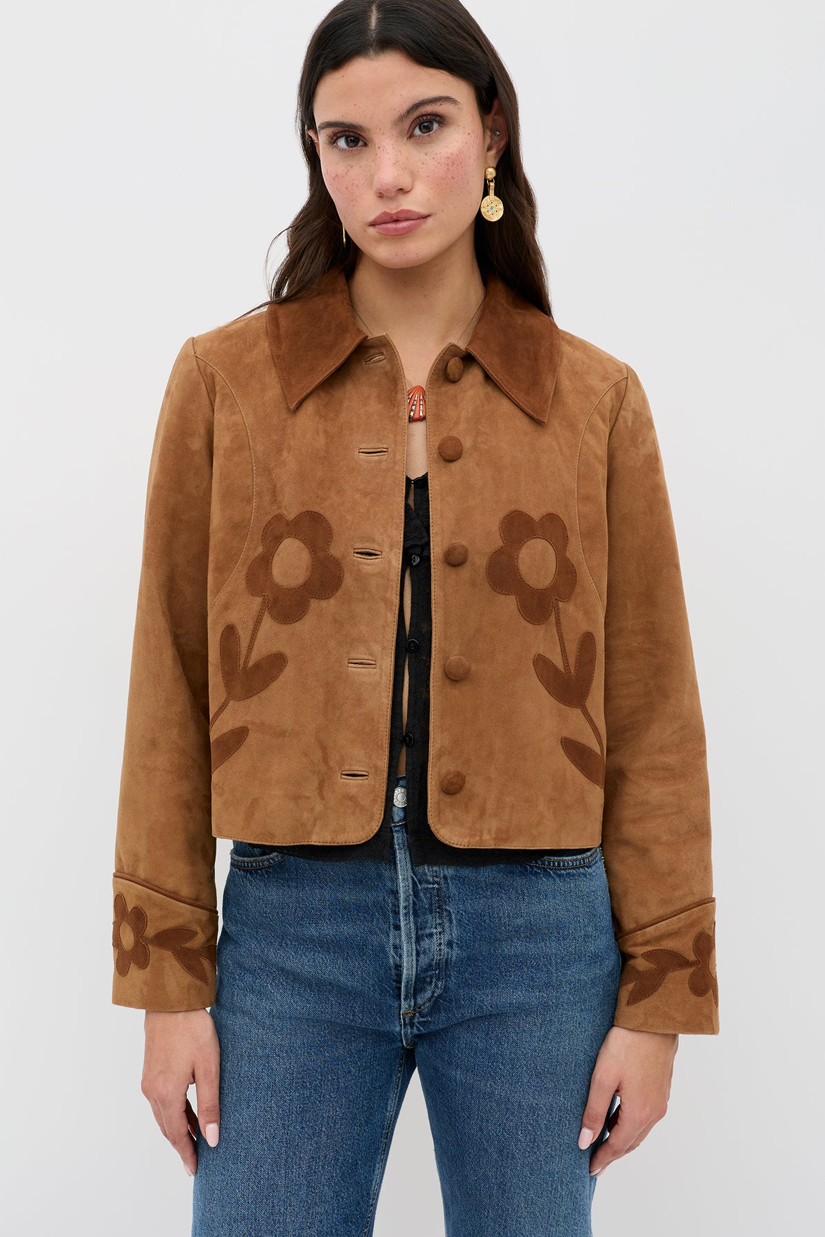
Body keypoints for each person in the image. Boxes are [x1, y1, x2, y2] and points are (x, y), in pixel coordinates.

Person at [110, 2, 719, 1233]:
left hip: (541, 939)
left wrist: (660, 1003)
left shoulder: (595, 401)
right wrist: (168, 986)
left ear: (491, 133)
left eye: (425, 126)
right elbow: (167, 681)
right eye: (347, 139)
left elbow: (653, 710)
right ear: (317, 157)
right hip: (290, 932)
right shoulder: (226, 385)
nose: (386, 174)